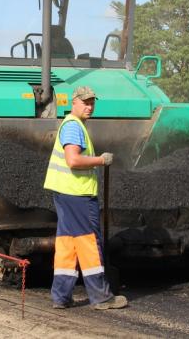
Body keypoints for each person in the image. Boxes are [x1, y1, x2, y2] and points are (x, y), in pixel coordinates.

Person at [43, 85, 128, 310]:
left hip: (65, 193)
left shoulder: (72, 124)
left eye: (92, 102)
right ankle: (101, 296)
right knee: (89, 243)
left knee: (67, 245)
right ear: (74, 102)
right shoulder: (73, 127)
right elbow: (73, 160)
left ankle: (61, 296)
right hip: (77, 195)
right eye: (85, 102)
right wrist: (101, 160)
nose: (89, 107)